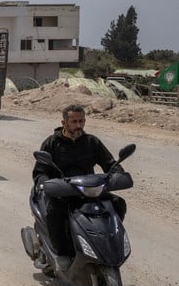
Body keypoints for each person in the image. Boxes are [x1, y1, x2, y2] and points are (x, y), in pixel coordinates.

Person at [32, 104, 127, 258]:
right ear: (64, 123)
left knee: (117, 204)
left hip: (88, 190)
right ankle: (61, 254)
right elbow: (40, 171)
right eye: (74, 122)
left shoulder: (91, 141)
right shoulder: (52, 143)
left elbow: (109, 163)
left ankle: (107, 243)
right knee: (55, 212)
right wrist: (44, 184)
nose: (78, 126)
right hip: (62, 191)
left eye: (81, 121)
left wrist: (118, 173)